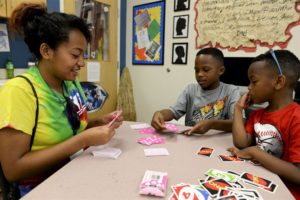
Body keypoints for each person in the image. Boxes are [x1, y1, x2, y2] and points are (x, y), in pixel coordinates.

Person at [0, 3, 123, 197]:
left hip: (72, 172)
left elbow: (70, 129)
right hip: (37, 189)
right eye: (75, 54)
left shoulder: (70, 85)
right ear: (46, 51)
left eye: (83, 54)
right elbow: (13, 169)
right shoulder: (20, 92)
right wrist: (82, 140)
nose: (81, 63)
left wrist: (97, 123)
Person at [228, 49, 300, 199]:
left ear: (279, 82)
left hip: (285, 194)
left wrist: (254, 152)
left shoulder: (296, 117)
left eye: (253, 81)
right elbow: (241, 143)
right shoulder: (258, 114)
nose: (249, 87)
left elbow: (298, 174)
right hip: (259, 183)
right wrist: (237, 108)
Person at [151, 47, 241, 135]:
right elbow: (173, 111)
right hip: (191, 140)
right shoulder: (190, 90)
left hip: (218, 143)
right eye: (196, 70)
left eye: (206, 70)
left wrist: (212, 124)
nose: (200, 74)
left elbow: (238, 123)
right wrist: (160, 114)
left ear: (221, 70)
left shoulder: (231, 91)